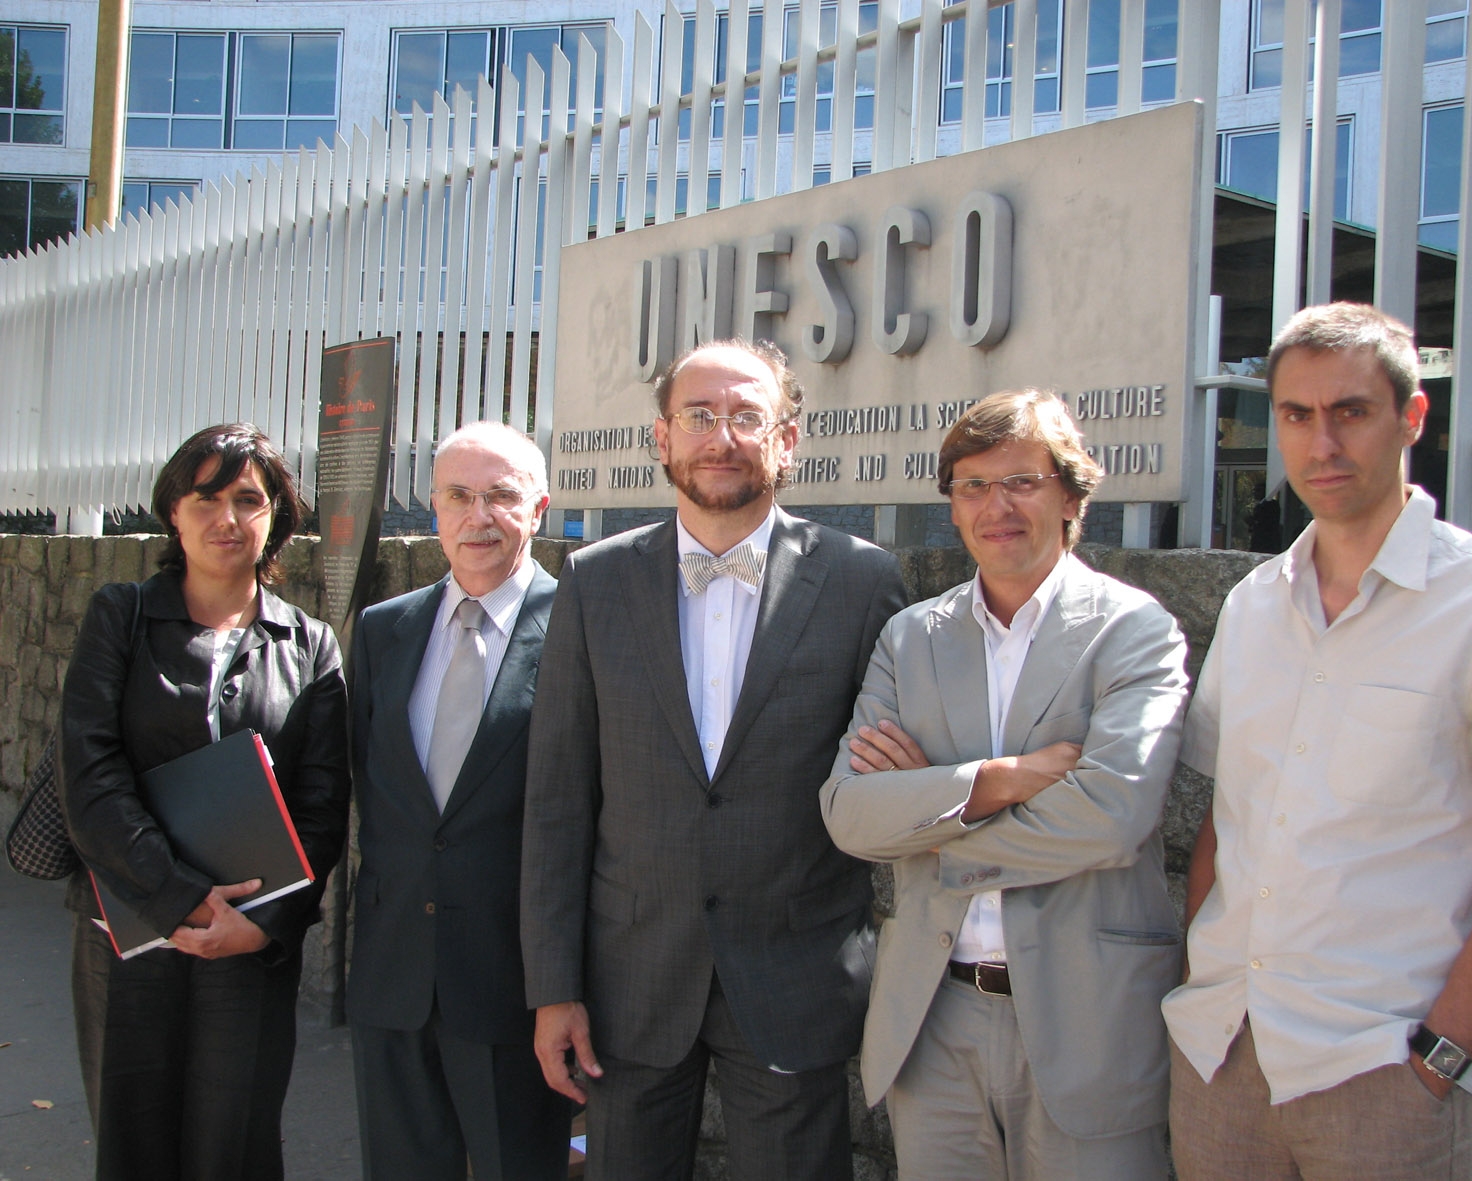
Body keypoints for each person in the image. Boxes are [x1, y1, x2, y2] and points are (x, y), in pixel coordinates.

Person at [1164, 302, 1472, 1179]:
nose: (1322, 443)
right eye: (1295, 415)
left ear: (1410, 418)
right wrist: (1201, 989)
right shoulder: (1251, 606)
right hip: (1223, 1056)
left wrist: (1436, 1063)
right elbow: (1224, 825)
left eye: (1350, 411)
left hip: (1382, 1072)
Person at [521, 338, 908, 1180]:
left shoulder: (861, 580)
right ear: (662, 438)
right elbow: (556, 800)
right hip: (631, 981)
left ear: (787, 439)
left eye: (745, 417)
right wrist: (554, 987)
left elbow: (886, 779)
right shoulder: (593, 582)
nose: (720, 436)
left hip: (794, 972)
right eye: (698, 416)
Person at [820, 389, 1189, 1180]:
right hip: (934, 1017)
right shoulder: (910, 637)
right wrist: (1001, 780)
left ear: (1069, 493)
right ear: (951, 507)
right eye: (973, 486)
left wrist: (931, 821)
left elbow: (1111, 815)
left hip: (1088, 1020)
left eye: (1021, 480)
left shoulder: (1134, 629)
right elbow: (850, 816)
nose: (998, 505)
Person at [59, 422, 351, 1181]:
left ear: (277, 518)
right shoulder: (119, 617)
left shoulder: (311, 644)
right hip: (128, 928)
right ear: (173, 512)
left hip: (248, 939)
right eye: (206, 497)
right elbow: (89, 776)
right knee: (135, 1141)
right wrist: (181, 896)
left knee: (238, 1142)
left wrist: (263, 926)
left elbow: (321, 804)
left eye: (248, 499)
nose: (227, 517)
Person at [347, 422, 571, 1180]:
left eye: (501, 495)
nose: (478, 516)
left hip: (516, 987)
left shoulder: (581, 629)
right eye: (458, 496)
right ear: (432, 508)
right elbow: (373, 795)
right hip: (393, 975)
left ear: (537, 507)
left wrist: (565, 984)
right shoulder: (384, 630)